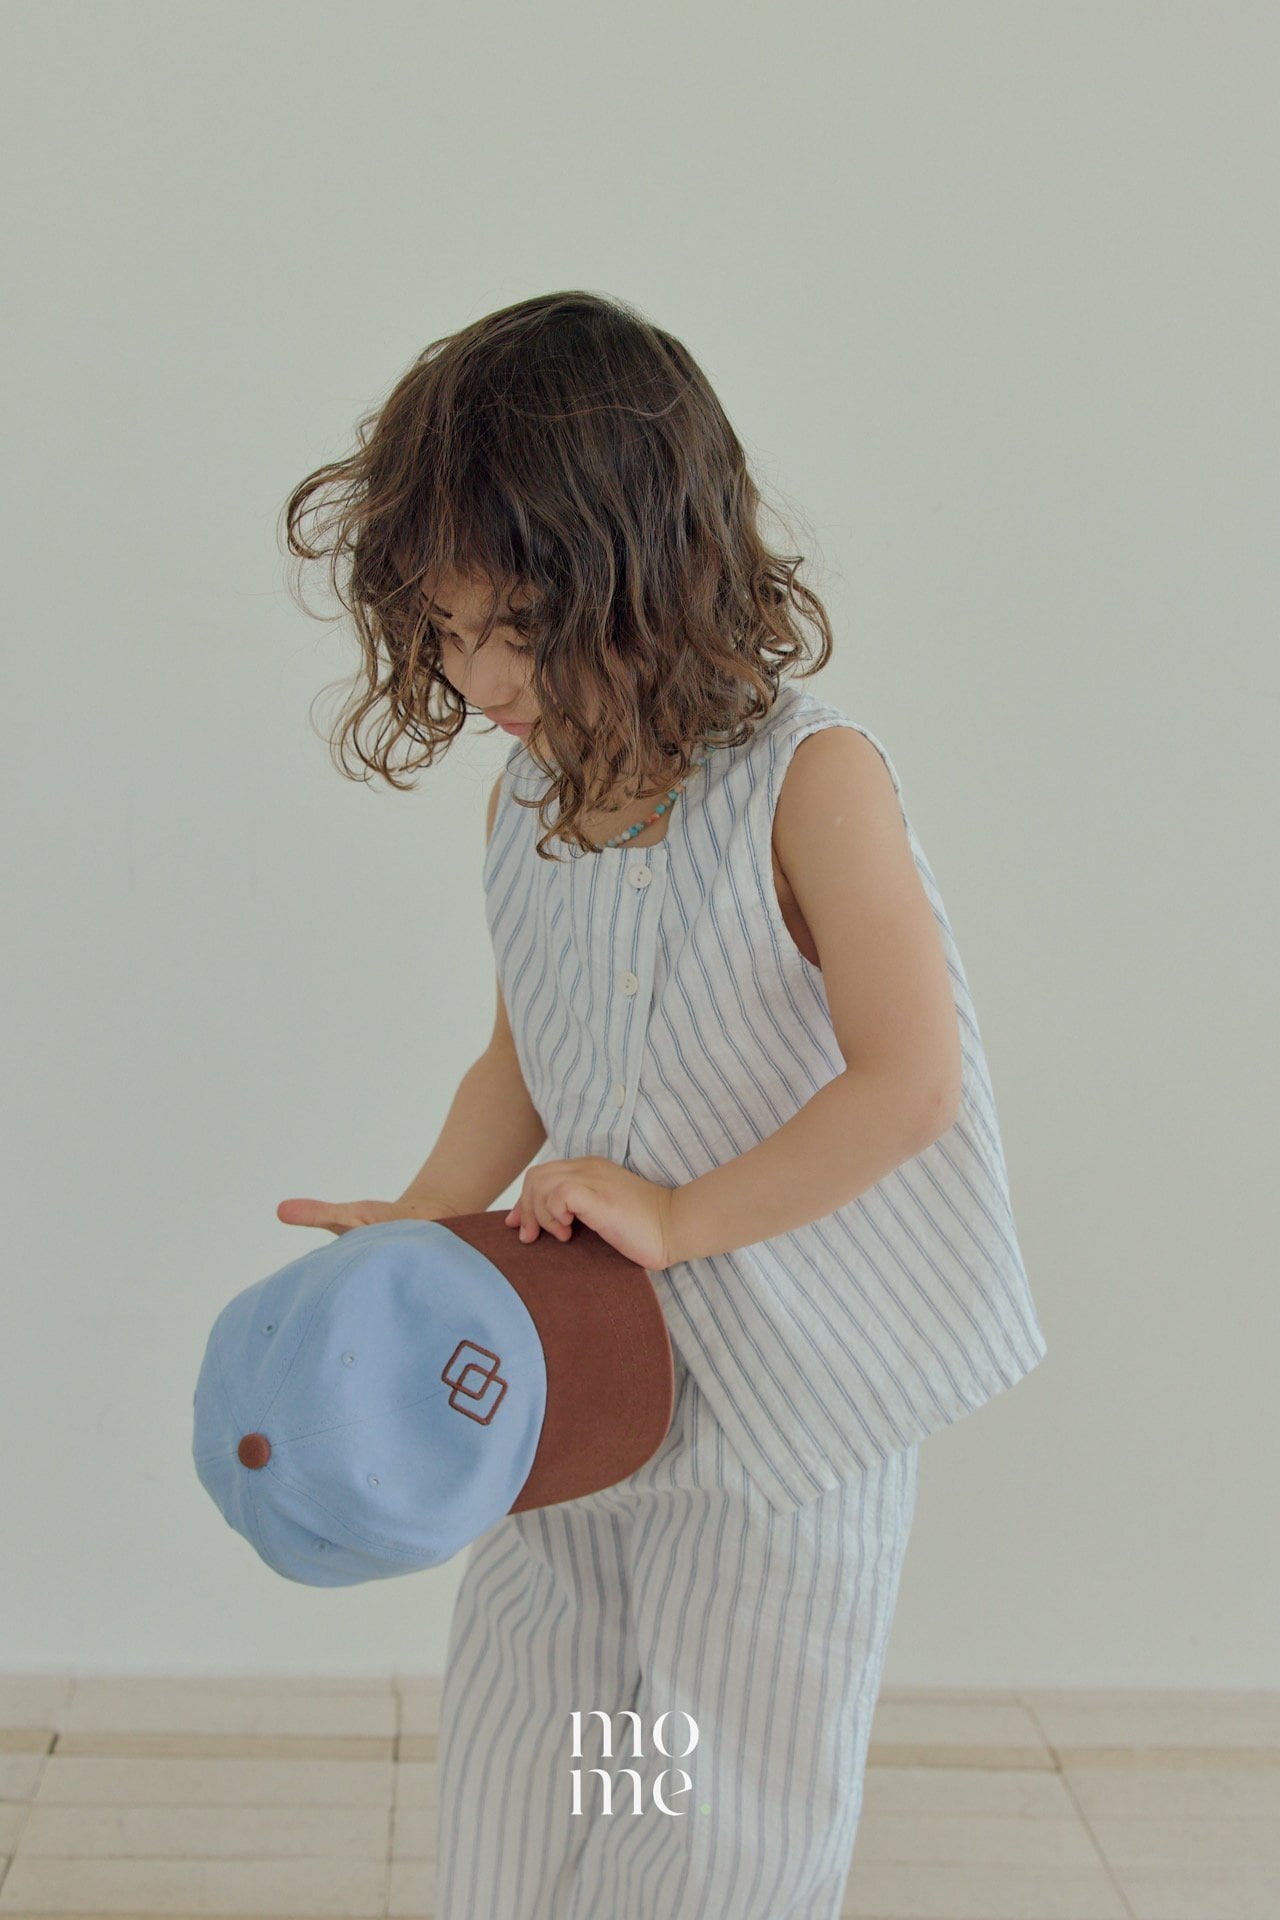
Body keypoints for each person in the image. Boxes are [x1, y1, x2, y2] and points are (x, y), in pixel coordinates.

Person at [275, 291, 1048, 1920]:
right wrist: (420, 1221)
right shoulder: (529, 800)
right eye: (445, 633)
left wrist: (686, 1215)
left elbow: (910, 1080)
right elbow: (521, 1059)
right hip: (578, 1365)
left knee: (711, 1784)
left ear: (648, 567)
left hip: (790, 1394)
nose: (478, 674)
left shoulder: (810, 779)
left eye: (515, 625)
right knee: (543, 1721)